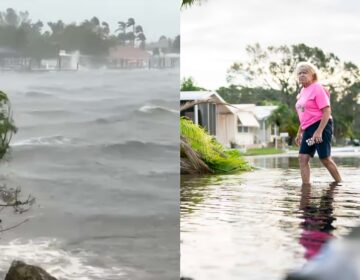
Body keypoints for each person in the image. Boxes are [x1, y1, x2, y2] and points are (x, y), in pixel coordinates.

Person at [294, 62, 342, 186]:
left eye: (305, 72)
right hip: (308, 128)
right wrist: (300, 132)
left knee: (324, 158)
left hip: (322, 125)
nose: (302, 75)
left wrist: (319, 131)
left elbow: (327, 111)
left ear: (313, 75)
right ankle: (306, 187)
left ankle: (339, 183)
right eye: (299, 73)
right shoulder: (302, 91)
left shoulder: (318, 88)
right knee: (303, 158)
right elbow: (305, 115)